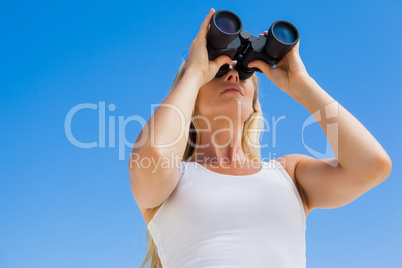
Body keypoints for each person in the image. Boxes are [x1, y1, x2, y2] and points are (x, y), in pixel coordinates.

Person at [129, 8, 392, 268]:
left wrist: (301, 83)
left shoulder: (289, 174)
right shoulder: (173, 179)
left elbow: (371, 166)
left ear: (254, 105)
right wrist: (195, 72)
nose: (233, 74)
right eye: (219, 70)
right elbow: (155, 154)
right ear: (190, 100)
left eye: (244, 73)